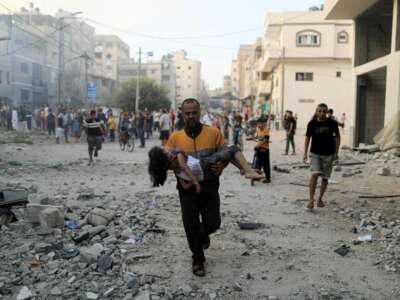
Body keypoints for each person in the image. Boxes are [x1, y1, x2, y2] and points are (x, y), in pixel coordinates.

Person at [163, 98, 227, 277]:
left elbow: (225, 153)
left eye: (194, 112)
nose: (191, 116)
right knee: (190, 224)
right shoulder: (175, 137)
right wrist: (170, 163)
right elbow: (166, 161)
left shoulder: (214, 133)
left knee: (213, 223)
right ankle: (198, 258)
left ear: (200, 112)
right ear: (182, 114)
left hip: (210, 185)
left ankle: (204, 233)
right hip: (187, 189)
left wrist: (222, 166)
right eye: (187, 113)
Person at [148, 145, 264, 191]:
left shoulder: (175, 170)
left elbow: (184, 185)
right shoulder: (178, 155)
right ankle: (248, 171)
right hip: (204, 165)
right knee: (233, 149)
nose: (166, 149)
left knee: (227, 156)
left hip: (205, 175)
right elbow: (185, 166)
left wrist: (195, 181)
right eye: (164, 151)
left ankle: (244, 169)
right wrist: (195, 182)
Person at [304, 103, 340, 210]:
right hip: (315, 153)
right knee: (314, 174)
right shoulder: (311, 123)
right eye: (319, 111)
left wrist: (336, 153)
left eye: (324, 111)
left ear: (327, 112)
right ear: (316, 111)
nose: (322, 113)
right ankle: (311, 200)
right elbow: (307, 138)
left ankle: (320, 199)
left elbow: (338, 137)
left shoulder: (332, 123)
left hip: (328, 154)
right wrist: (305, 153)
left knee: (325, 178)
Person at [253, 117, 271, 183]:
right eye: (258, 124)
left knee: (265, 165)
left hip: (264, 149)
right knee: (258, 164)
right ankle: (258, 177)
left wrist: (258, 145)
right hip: (258, 149)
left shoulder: (266, 130)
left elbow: (265, 139)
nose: (258, 125)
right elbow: (257, 136)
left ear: (263, 124)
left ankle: (268, 178)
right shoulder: (258, 129)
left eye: (260, 124)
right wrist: (254, 138)